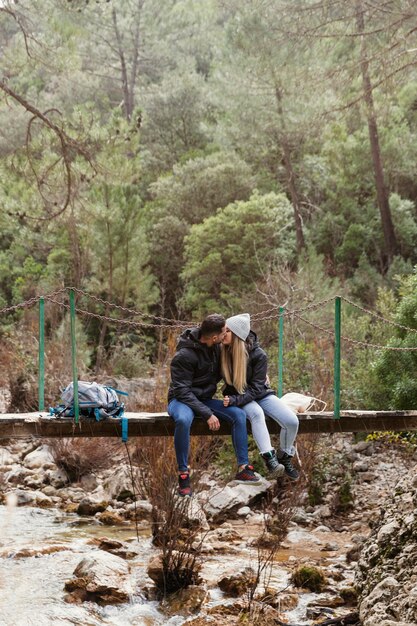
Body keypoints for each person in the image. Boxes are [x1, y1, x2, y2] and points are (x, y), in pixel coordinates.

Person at [168, 313, 261, 496]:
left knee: (238, 415)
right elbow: (182, 391)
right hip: (181, 400)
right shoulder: (184, 355)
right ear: (214, 337)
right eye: (224, 331)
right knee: (183, 420)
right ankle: (183, 475)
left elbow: (240, 359)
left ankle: (243, 467)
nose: (226, 334)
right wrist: (207, 414)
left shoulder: (217, 349)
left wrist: (258, 374)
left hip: (205, 400)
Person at [221, 313, 300, 481]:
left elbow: (257, 389)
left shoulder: (258, 355)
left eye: (227, 330)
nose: (223, 333)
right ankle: (270, 459)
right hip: (238, 394)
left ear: (236, 334)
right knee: (256, 414)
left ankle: (285, 456)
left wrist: (235, 401)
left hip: (258, 394)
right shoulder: (222, 350)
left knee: (292, 421)